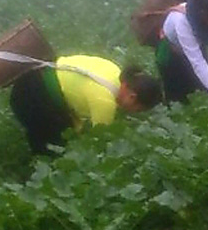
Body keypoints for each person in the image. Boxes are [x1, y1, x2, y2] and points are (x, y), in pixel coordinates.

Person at [9, 56, 163, 155]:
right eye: (138, 109)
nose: (133, 112)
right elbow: (98, 143)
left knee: (58, 138)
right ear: (132, 96)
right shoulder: (105, 101)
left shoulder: (114, 70)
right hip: (31, 96)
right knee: (52, 149)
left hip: (33, 78)